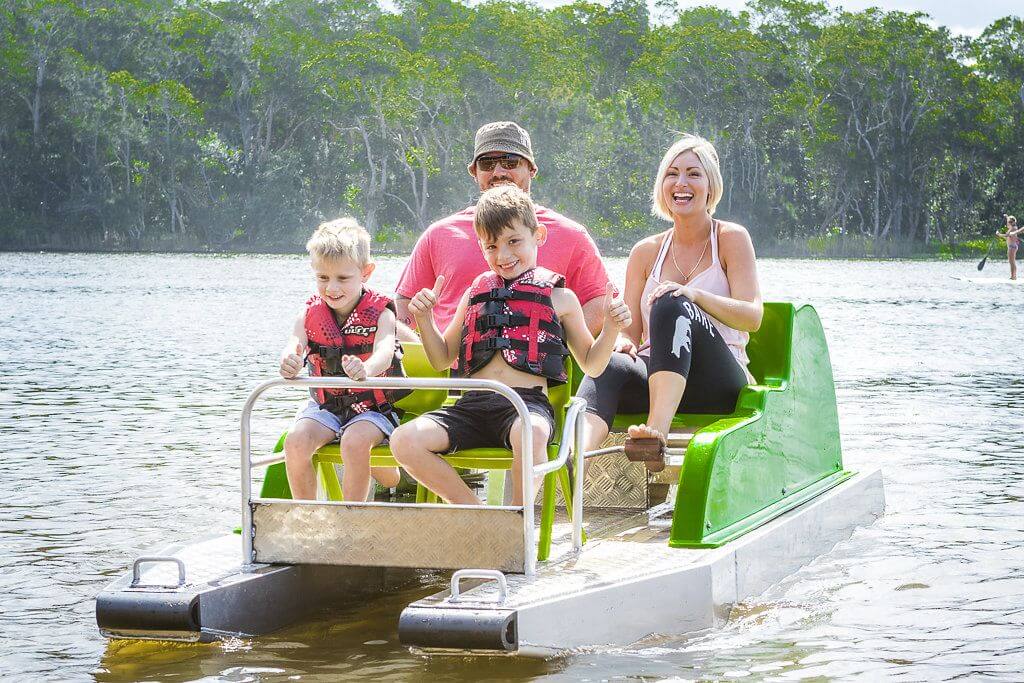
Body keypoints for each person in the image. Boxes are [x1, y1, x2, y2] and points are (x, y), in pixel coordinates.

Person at [389, 185, 631, 505]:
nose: (503, 256)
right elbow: (441, 358)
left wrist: (611, 328)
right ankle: (479, 514)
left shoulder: (562, 298)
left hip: (526, 407)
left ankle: (518, 518)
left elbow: (592, 364)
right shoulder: (474, 294)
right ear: (481, 247)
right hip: (471, 406)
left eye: (513, 241)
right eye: (492, 246)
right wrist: (425, 319)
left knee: (531, 433)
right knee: (403, 440)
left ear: (538, 235)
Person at [577, 134, 763, 459]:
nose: (681, 183)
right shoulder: (645, 252)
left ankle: (655, 437)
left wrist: (694, 296)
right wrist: (621, 340)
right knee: (609, 365)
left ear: (710, 186)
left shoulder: (731, 238)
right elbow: (631, 333)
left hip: (717, 383)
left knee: (671, 301)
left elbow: (752, 316)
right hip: (657, 377)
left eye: (694, 174)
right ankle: (576, 459)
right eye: (672, 174)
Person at [395, 121, 614, 336]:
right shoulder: (438, 235)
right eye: (487, 164)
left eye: (510, 161)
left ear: (531, 169)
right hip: (453, 358)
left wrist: (558, 344)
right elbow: (406, 303)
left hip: (541, 359)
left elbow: (599, 300)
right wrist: (421, 344)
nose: (498, 172)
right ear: (475, 172)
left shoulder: (572, 235)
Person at [278, 218, 404, 501]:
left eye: (342, 278)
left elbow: (385, 353)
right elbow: (293, 345)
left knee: (354, 442)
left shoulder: (382, 314)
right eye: (323, 278)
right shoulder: (308, 314)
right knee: (295, 441)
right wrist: (290, 361)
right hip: (325, 407)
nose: (332, 288)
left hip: (371, 410)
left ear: (365, 272)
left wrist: (365, 368)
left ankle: (352, 517)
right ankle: (307, 515)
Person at [997, 214, 1021, 280]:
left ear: (1012, 222)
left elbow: (1007, 235)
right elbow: (1008, 237)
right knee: (1012, 262)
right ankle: (1013, 276)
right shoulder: (1012, 227)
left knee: (1012, 262)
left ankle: (1013, 277)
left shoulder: (1013, 228)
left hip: (1012, 247)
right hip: (1012, 246)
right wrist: (1006, 216)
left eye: (1009, 222)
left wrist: (999, 234)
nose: (1008, 223)